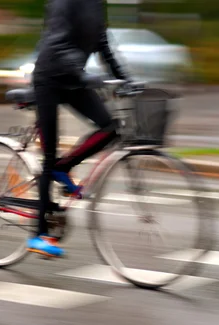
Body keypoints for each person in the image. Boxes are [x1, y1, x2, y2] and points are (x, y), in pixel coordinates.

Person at [28, 0, 132, 257]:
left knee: (111, 128)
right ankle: (39, 234)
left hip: (74, 79)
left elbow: (102, 44)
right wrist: (81, 73)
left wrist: (126, 78)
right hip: (50, 77)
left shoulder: (96, 3)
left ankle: (64, 168)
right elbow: (56, 40)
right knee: (48, 158)